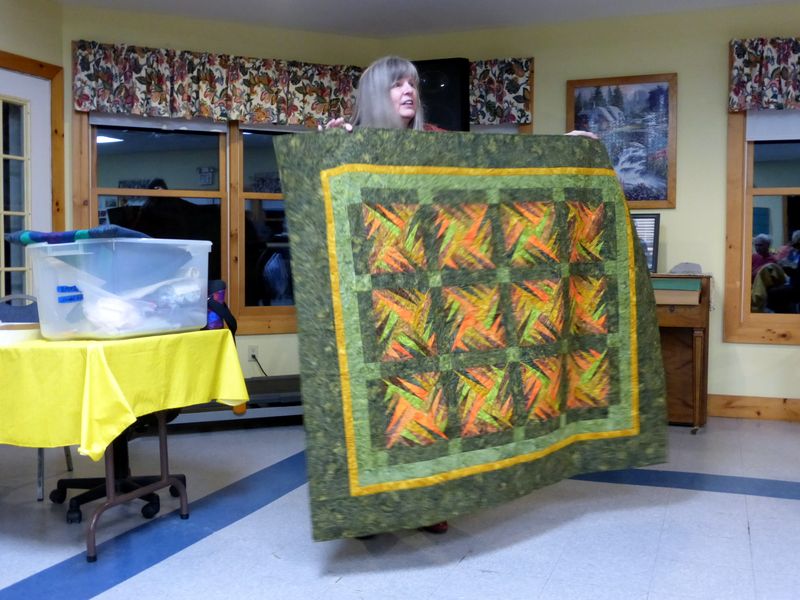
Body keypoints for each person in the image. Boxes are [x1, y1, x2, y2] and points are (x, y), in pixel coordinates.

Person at [323, 56, 595, 540]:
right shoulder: (347, 143)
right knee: (373, 407)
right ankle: (369, 511)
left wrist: (563, 147)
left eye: (412, 83)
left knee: (430, 406)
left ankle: (431, 502)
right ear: (375, 93)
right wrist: (329, 148)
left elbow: (496, 161)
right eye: (397, 84)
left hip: (431, 298)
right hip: (373, 300)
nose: (409, 91)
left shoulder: (436, 143)